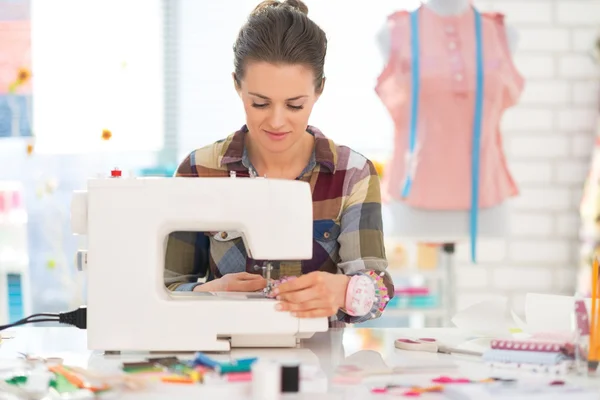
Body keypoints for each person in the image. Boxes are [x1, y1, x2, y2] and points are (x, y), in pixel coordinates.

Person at [164, 0, 394, 325]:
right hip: (225, 359)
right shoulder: (199, 171)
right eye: (259, 103)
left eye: (294, 105)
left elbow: (379, 289)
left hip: (320, 360)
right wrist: (210, 294)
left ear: (319, 90)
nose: (276, 121)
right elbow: (167, 288)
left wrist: (346, 291)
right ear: (236, 85)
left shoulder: (351, 175)